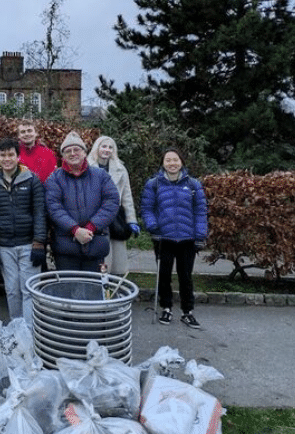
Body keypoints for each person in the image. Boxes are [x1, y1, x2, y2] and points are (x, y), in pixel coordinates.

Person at [0, 138, 46, 329]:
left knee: (28, 289)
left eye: (11, 154)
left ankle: (30, 332)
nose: (7, 159)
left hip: (29, 243)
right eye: (3, 155)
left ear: (18, 157)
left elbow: (39, 211)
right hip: (4, 245)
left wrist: (39, 242)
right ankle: (16, 330)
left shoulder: (31, 179)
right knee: (12, 290)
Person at [141, 147, 208, 329]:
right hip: (163, 238)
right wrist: (153, 226)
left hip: (187, 239)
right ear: (163, 163)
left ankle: (188, 312)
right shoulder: (154, 184)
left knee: (185, 277)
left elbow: (200, 211)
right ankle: (166, 308)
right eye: (168, 160)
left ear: (181, 162)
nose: (172, 163)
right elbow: (147, 208)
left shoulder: (193, 184)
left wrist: (200, 235)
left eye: (175, 159)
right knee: (164, 276)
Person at [45, 131, 120, 272]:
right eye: (68, 151)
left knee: (92, 284)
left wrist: (91, 227)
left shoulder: (101, 176)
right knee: (68, 285)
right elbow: (53, 207)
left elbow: (112, 202)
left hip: (96, 243)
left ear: (85, 152)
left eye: (77, 149)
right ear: (63, 156)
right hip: (65, 247)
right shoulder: (54, 178)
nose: (73, 153)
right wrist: (75, 230)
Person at [87, 136, 140, 275]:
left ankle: (116, 282)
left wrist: (131, 220)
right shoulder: (87, 166)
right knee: (99, 258)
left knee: (117, 258)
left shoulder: (120, 169)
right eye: (104, 146)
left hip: (115, 217)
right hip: (94, 216)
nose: (107, 150)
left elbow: (127, 197)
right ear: (97, 148)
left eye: (110, 147)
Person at [17, 118, 57, 184]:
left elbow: (54, 179)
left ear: (36, 133)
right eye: (23, 132)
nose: (26, 134)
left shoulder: (48, 154)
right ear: (18, 136)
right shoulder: (14, 154)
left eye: (29, 131)